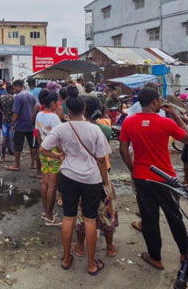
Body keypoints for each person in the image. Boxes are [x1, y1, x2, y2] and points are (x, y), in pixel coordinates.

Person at [118, 87, 188, 271]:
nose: (160, 103)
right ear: (153, 103)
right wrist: (175, 114)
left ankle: (155, 257)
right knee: (174, 216)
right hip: (164, 177)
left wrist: (133, 169)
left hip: (142, 177)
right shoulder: (165, 122)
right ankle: (185, 253)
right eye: (159, 100)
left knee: (149, 219)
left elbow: (123, 149)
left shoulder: (129, 122)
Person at [40, 95, 112, 275]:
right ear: (84, 109)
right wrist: (105, 181)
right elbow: (102, 159)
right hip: (92, 179)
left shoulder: (61, 128)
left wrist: (59, 156)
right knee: (90, 219)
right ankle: (91, 264)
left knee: (68, 218)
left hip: (69, 176)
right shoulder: (95, 130)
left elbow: (43, 149)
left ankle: (66, 259)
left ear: (68, 111)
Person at [73, 95, 119, 258]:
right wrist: (106, 183)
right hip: (101, 175)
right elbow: (101, 158)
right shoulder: (104, 129)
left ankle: (79, 246)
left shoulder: (73, 128)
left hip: (81, 176)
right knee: (107, 212)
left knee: (82, 212)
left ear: (83, 110)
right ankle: (110, 247)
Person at [36, 91, 63, 226]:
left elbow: (39, 135)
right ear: (52, 103)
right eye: (57, 101)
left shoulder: (39, 114)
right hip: (53, 153)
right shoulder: (54, 118)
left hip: (44, 151)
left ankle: (46, 211)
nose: (58, 104)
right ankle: (49, 216)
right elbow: (59, 139)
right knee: (52, 185)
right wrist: (62, 153)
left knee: (45, 183)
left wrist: (42, 147)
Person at [8, 79, 37, 172]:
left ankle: (17, 165)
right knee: (33, 145)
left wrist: (12, 123)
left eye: (14, 88)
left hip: (20, 124)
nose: (14, 90)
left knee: (18, 146)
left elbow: (15, 112)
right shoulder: (31, 95)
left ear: (17, 86)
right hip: (32, 124)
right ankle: (33, 163)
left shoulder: (18, 97)